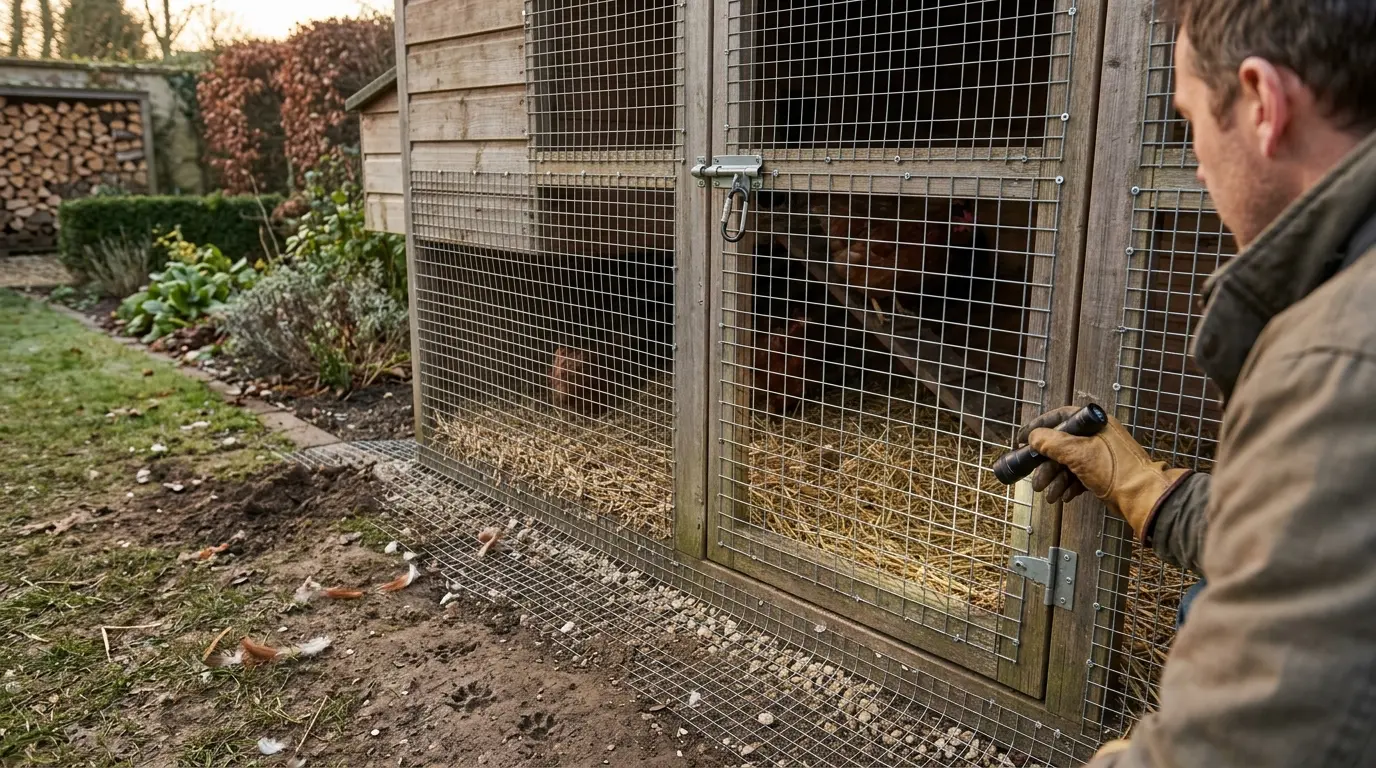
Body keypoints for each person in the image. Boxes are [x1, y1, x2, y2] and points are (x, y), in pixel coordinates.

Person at [1014, 1, 1376, 765]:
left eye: (1187, 122)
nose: (1198, 162)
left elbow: (1240, 742)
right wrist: (1148, 487)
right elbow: (1327, 548)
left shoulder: (1342, 351)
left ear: (1262, 102)